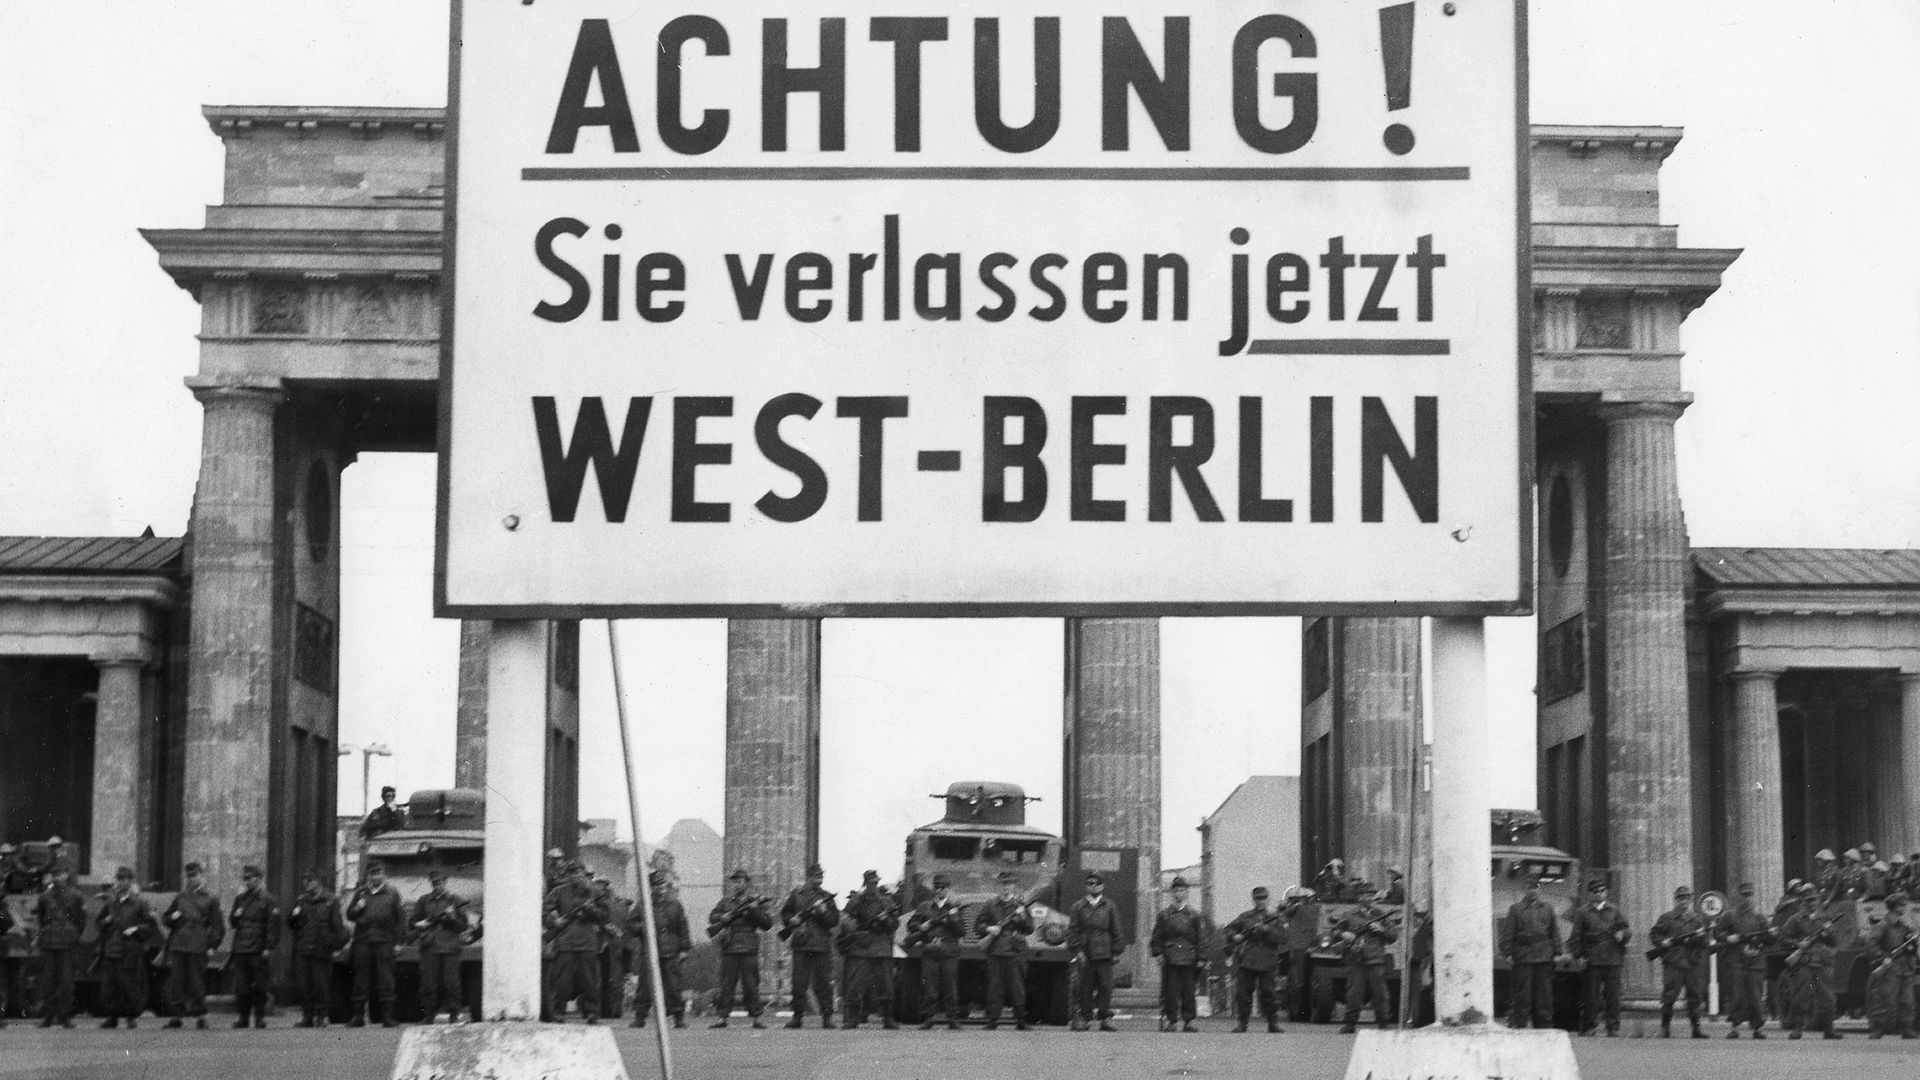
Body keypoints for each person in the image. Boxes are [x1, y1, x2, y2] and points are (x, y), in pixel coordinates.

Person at [546, 860, 611, 1024]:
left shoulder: (595, 892)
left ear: (584, 873)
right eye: (572, 873)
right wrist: (554, 922)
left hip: (587, 941)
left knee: (589, 980)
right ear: (567, 875)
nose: (576, 876)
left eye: (579, 872)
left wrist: (591, 910)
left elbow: (605, 915)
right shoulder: (558, 892)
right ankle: (558, 1011)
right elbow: (544, 910)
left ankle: (592, 1013)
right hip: (565, 941)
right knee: (562, 980)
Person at [161, 861, 224, 1028]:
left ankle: (200, 1015)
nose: (192, 878)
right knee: (177, 981)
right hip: (180, 943)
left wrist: (212, 946)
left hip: (198, 943)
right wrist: (172, 918)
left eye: (195, 875)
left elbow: (217, 926)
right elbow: (166, 918)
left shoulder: (210, 898)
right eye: (189, 875)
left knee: (196, 981)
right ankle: (177, 1015)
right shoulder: (181, 897)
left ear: (202, 876)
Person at [707, 869, 772, 1028]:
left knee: (751, 984)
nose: (737, 884)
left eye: (741, 881)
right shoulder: (725, 903)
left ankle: (756, 1017)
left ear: (747, 883)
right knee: (727, 984)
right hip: (730, 946)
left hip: (749, 947)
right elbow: (712, 917)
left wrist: (754, 910)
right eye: (735, 881)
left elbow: (767, 924)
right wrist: (723, 918)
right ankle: (722, 1017)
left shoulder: (754, 902)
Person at [94, 867, 157, 1029]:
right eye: (119, 879)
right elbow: (99, 923)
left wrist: (136, 929)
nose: (121, 882)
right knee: (110, 985)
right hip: (112, 948)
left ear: (131, 882)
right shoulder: (111, 903)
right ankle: (112, 1016)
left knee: (130, 985)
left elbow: (149, 926)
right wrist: (105, 922)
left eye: (125, 879)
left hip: (130, 950)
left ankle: (131, 1016)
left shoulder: (140, 903)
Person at [778, 863, 839, 1029]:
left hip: (821, 945)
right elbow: (785, 913)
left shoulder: (826, 897)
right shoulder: (796, 895)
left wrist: (823, 911)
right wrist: (791, 920)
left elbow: (834, 921)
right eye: (816, 876)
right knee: (799, 983)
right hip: (802, 943)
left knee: (824, 983)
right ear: (809, 877)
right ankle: (797, 1016)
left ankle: (827, 1017)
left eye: (820, 876)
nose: (819, 879)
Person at [347, 859, 406, 1027]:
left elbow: (400, 919)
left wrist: (399, 942)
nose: (376, 876)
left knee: (386, 979)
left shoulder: (392, 893)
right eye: (373, 874)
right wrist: (358, 907)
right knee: (360, 979)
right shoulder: (360, 893)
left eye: (379, 873)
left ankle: (387, 1016)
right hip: (363, 940)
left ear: (384, 875)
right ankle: (358, 1016)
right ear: (368, 876)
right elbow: (350, 914)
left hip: (385, 941)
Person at [1778, 881, 1839, 1039]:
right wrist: (1798, 944)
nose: (1812, 903)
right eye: (1808, 900)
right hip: (1803, 962)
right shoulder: (1795, 919)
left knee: (1827, 997)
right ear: (1803, 902)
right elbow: (1783, 937)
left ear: (1818, 900)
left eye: (1814, 900)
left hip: (1822, 961)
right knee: (1800, 996)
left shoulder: (1825, 919)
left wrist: (1826, 934)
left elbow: (1834, 941)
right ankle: (1797, 1028)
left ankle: (1828, 1029)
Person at [1335, 882, 1399, 1033]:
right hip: (1356, 959)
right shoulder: (1349, 915)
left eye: (1372, 895)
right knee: (1354, 993)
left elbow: (1393, 936)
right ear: (1359, 898)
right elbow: (1336, 930)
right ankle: (1350, 1024)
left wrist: (1381, 929)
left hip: (1376, 959)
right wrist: (1344, 934)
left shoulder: (1380, 914)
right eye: (1366, 895)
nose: (1370, 898)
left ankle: (1383, 1022)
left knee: (1380, 993)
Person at [1568, 878, 1629, 1036]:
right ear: (1590, 894)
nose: (1599, 894)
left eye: (1602, 891)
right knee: (1591, 996)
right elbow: (1575, 937)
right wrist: (1579, 955)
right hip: (1592, 960)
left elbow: (1627, 929)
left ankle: (1613, 1027)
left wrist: (1622, 934)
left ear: (1606, 892)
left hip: (1613, 958)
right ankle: (1590, 1026)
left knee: (1613, 996)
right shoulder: (1582, 912)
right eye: (1596, 892)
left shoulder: (1614, 910)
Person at [631, 869, 691, 1029]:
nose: (660, 888)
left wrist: (684, 949)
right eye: (657, 885)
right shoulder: (643, 904)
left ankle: (679, 1017)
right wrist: (642, 927)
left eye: (662, 884)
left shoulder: (676, 905)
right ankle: (640, 1017)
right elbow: (631, 924)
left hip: (671, 951)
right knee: (645, 986)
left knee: (674, 986)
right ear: (651, 887)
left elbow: (683, 927)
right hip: (650, 951)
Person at [1499, 878, 1562, 1030]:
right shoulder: (1516, 909)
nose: (1533, 890)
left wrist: (1558, 950)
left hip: (1544, 956)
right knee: (1523, 993)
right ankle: (1520, 1023)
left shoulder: (1547, 908)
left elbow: (1554, 931)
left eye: (1536, 887)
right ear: (1524, 889)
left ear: (1540, 889)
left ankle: (1544, 1025)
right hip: (1523, 956)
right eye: (1529, 887)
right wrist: (1507, 952)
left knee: (1544, 993)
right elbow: (1508, 932)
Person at [1222, 885, 1286, 1033]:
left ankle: (1273, 1023)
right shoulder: (1245, 917)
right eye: (1258, 898)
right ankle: (1242, 1023)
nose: (1261, 901)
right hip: (1248, 960)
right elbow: (1229, 929)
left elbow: (1284, 937)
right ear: (1253, 900)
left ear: (1268, 899)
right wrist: (1235, 936)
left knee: (1269, 994)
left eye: (1264, 898)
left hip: (1267, 960)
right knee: (1243, 994)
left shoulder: (1275, 918)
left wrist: (1267, 931)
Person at [287, 868, 346, 1028]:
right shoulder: (301, 901)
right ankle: (307, 1016)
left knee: (321, 984)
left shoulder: (330, 900)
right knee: (304, 984)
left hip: (322, 948)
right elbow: (291, 924)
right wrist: (294, 915)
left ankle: (322, 1016)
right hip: (304, 947)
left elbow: (338, 926)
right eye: (304, 881)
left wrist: (337, 947)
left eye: (310, 880)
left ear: (318, 882)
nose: (306, 884)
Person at [1067, 871, 1125, 1032]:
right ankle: (1085, 1019)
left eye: (1095, 883)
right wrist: (1078, 950)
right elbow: (1072, 931)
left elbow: (1117, 929)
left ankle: (1105, 1018)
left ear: (1102, 886)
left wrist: (1116, 951)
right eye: (1089, 883)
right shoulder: (1078, 907)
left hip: (1105, 952)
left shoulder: (1110, 906)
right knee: (1085, 987)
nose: (1092, 887)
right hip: (1086, 952)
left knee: (1105, 986)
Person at [841, 870, 900, 1029]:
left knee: (886, 984)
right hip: (861, 946)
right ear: (865, 883)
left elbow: (895, 925)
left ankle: (888, 1018)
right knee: (855, 984)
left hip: (881, 946)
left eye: (875, 883)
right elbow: (845, 920)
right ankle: (853, 1018)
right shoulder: (856, 901)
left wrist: (885, 920)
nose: (873, 886)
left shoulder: (887, 901)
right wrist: (855, 930)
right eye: (870, 883)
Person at [1150, 876, 1209, 1032]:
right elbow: (1157, 937)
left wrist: (1201, 957)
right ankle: (1172, 1021)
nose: (1178, 894)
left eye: (1182, 890)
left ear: (1186, 893)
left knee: (1188, 991)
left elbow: (1201, 937)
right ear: (1172, 893)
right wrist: (1158, 954)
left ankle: (1189, 1021)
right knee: (1170, 991)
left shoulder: (1194, 915)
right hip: (1170, 957)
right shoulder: (1164, 915)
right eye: (1176, 890)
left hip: (1189, 957)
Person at [1649, 885, 1709, 1038]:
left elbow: (1704, 943)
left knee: (1694, 996)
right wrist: (1663, 942)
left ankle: (1696, 1029)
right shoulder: (1667, 918)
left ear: (1691, 900)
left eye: (1687, 898)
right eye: (1681, 898)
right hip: (1673, 962)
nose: (1684, 902)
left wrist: (1699, 940)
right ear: (1676, 900)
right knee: (1669, 996)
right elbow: (1654, 934)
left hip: (1691, 962)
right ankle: (1665, 1028)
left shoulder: (1697, 920)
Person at [412, 868, 471, 1024]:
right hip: (430, 947)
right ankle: (429, 1015)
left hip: (450, 947)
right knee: (429, 984)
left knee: (451, 984)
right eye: (435, 883)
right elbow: (413, 923)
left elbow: (463, 926)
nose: (438, 885)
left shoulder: (455, 901)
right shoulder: (423, 901)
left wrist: (452, 918)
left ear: (446, 882)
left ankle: (454, 1015)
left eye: (440, 882)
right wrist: (421, 925)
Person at [975, 870, 1032, 1030]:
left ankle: (1021, 1020)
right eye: (1003, 884)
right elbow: (978, 925)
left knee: (1017, 987)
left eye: (1009, 884)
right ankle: (993, 1020)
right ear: (998, 886)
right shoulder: (990, 904)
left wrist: (1022, 918)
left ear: (1014, 886)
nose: (1006, 887)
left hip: (1015, 951)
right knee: (995, 987)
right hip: (995, 951)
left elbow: (1030, 928)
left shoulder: (1020, 906)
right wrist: (989, 929)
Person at [1712, 881, 1770, 1038]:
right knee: (1736, 995)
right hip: (1736, 960)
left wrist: (1760, 940)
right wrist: (1728, 937)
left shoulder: (1760, 918)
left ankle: (1757, 1028)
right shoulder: (1729, 916)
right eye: (1744, 895)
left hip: (1755, 961)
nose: (1747, 898)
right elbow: (1717, 932)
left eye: (1749, 895)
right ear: (1738, 896)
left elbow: (1769, 938)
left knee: (1756, 996)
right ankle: (1735, 1027)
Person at [909, 873, 966, 1029]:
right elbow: (911, 924)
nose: (939, 890)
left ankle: (952, 1018)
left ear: (947, 889)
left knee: (950, 987)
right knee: (930, 988)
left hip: (949, 952)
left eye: (942, 887)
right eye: (937, 887)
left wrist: (951, 921)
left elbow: (961, 931)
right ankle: (929, 1018)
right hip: (930, 951)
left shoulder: (954, 909)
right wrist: (921, 926)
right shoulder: (924, 906)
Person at [227, 864, 281, 1029]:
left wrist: (268, 947)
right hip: (241, 948)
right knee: (241, 986)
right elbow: (233, 922)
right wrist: (235, 915)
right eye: (245, 878)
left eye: (250, 878)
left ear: (259, 879)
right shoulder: (240, 899)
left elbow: (273, 926)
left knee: (259, 985)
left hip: (258, 949)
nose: (247, 881)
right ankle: (243, 1017)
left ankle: (259, 1017)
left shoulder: (268, 899)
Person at [31, 863, 85, 1028]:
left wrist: (72, 934)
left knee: (66, 981)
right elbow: (41, 918)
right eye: (55, 874)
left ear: (66, 875)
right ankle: (49, 1014)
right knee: (47, 980)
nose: (58, 877)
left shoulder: (75, 896)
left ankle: (64, 1015)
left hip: (66, 942)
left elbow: (80, 920)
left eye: (61, 873)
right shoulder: (44, 897)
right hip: (50, 942)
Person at [1864, 890, 1917, 1039]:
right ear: (1893, 906)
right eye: (1901, 905)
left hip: (1905, 967)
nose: (1904, 907)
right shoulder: (1883, 925)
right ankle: (1878, 1028)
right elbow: (1871, 943)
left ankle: (1907, 1028)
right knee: (1885, 998)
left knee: (1907, 1000)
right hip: (1890, 966)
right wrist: (1882, 957)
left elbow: (1910, 948)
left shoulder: (1904, 927)